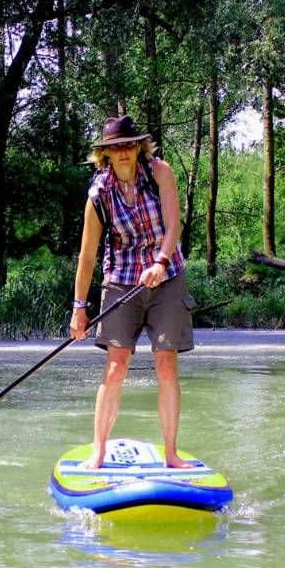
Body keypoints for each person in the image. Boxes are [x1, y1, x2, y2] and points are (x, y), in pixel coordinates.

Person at [70, 115, 195, 469]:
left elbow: (174, 225)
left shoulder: (160, 173)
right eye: (115, 147)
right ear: (105, 154)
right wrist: (79, 307)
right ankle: (98, 451)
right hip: (122, 279)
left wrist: (160, 261)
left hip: (166, 276)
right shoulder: (98, 195)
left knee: (166, 364)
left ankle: (171, 454)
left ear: (138, 146)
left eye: (128, 144)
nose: (123, 152)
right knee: (115, 366)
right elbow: (88, 254)